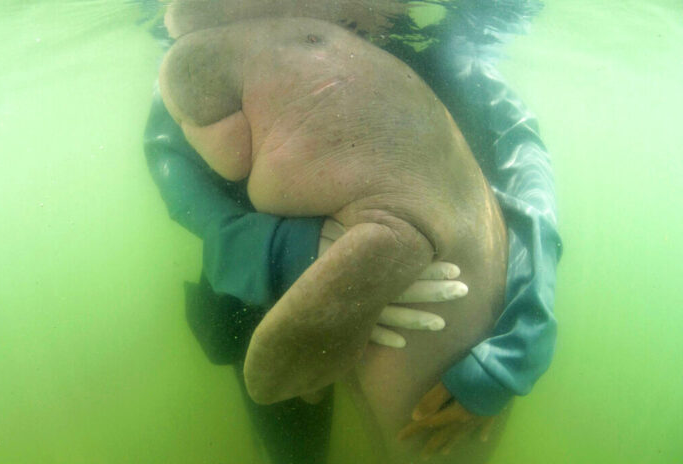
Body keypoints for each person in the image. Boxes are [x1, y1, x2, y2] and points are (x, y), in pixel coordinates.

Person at [143, 1, 561, 462]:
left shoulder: (443, 57)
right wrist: (289, 255)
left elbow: (527, 170)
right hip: (258, 300)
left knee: (430, 437)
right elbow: (185, 193)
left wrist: (513, 352)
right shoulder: (201, 57)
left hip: (433, 283)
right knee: (294, 450)